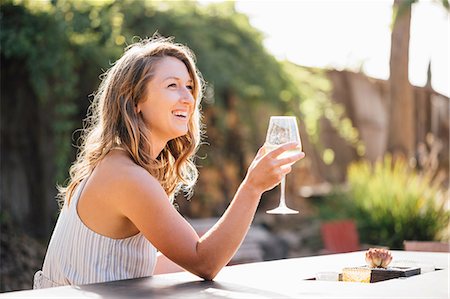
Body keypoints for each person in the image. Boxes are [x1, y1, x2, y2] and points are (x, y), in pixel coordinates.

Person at [33, 36, 304, 288]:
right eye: (172, 85)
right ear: (135, 100)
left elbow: (133, 261)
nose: (188, 98)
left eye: (189, 86)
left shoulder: (122, 164)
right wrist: (252, 186)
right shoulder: (125, 176)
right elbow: (204, 263)